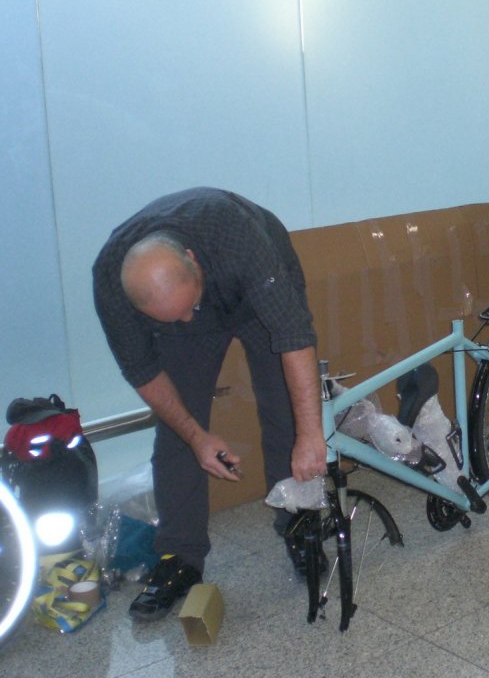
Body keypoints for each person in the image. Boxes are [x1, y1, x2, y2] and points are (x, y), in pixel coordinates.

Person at [92, 188, 328, 621]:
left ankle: (298, 522)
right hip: (191, 309)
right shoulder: (111, 281)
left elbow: (295, 339)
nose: (188, 319)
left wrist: (311, 435)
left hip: (252, 296)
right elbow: (143, 372)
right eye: (171, 317)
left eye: (188, 307)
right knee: (179, 428)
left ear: (194, 263)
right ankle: (179, 558)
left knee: (286, 410)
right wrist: (197, 436)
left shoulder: (240, 241)